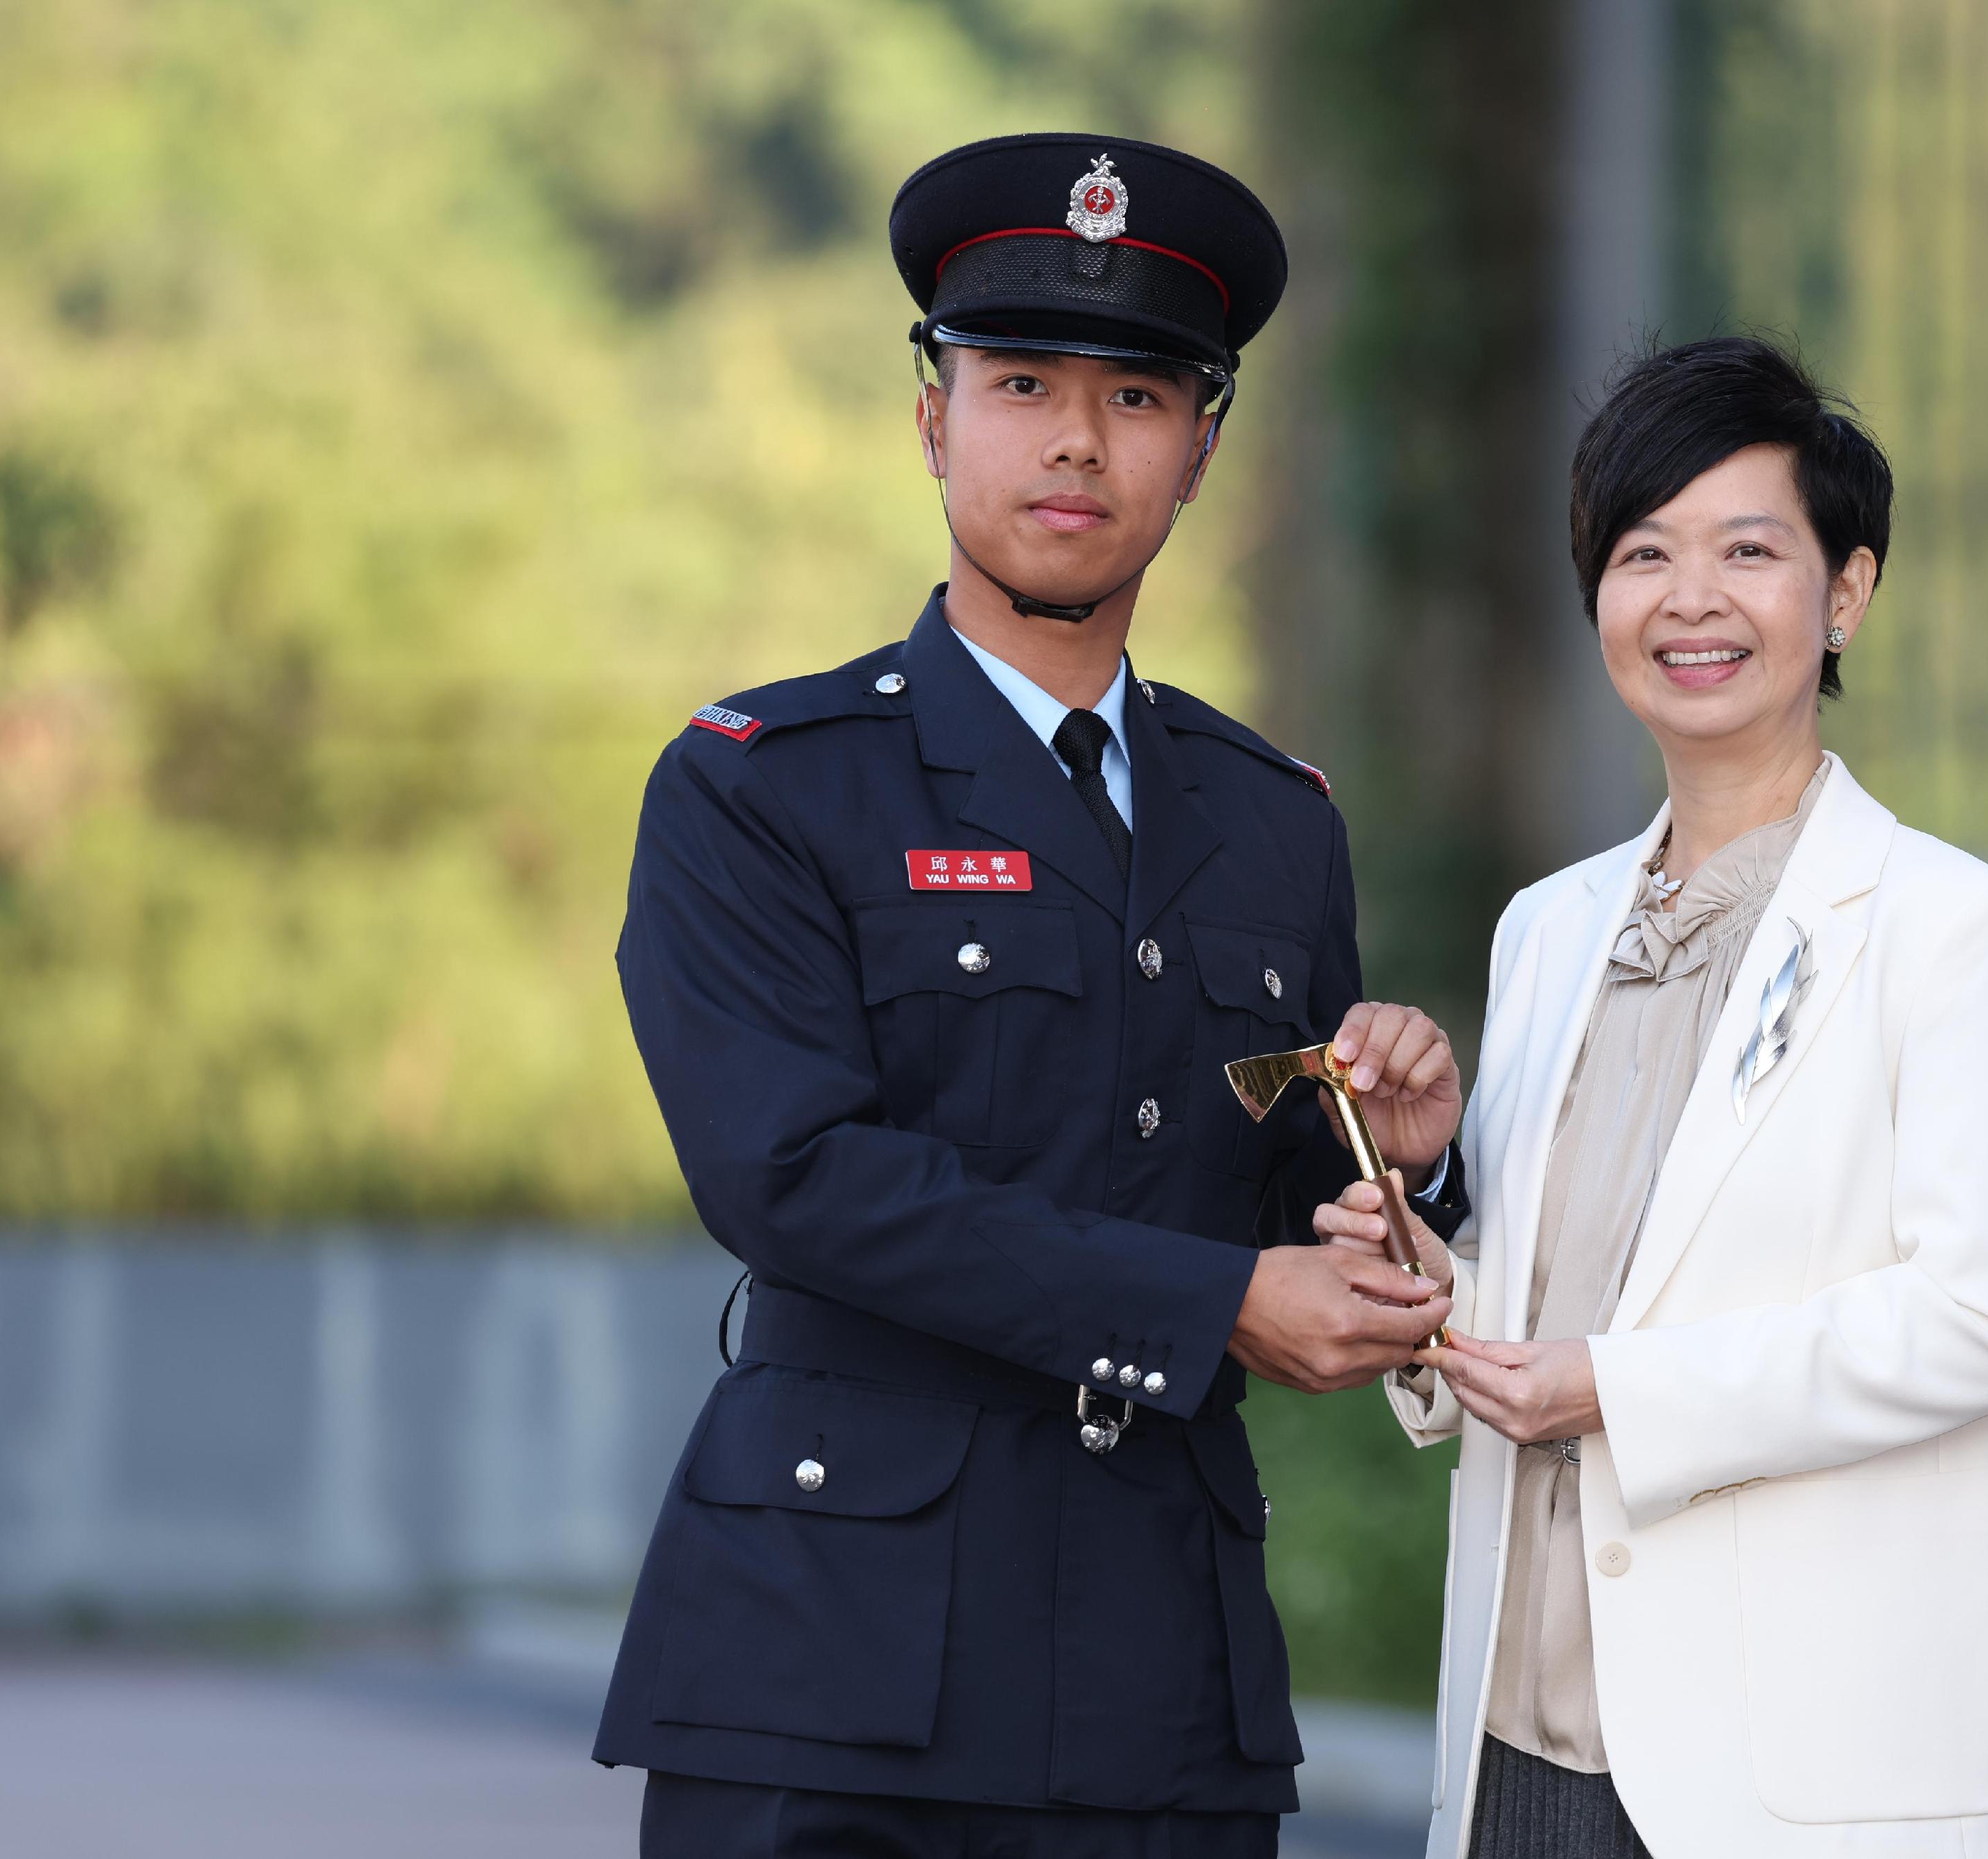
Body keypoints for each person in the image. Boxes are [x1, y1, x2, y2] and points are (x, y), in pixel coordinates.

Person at [593, 132, 1468, 1859]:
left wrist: (1411, 1165)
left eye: (1138, 397)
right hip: (834, 1659)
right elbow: (797, 1177)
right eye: (1018, 383)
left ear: (1202, 445)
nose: (1076, 438)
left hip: (1162, 1670)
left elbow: (1302, 1219)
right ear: (933, 419)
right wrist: (1220, 1302)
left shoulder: (1272, 821)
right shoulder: (764, 783)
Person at [1317, 336, 1988, 1858]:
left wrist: (1619, 1392)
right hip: (1517, 1747)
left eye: (1748, 549)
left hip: (1787, 1778)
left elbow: (1985, 1313)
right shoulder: (1548, 926)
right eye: (1643, 551)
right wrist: (1425, 1241)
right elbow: (1559, 1300)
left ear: (1843, 592)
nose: (1690, 597)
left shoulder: (1949, 925)